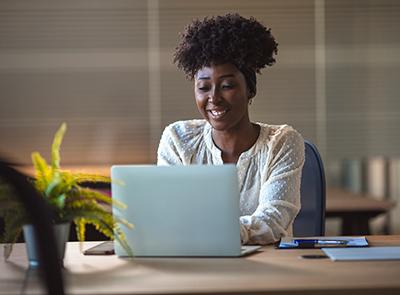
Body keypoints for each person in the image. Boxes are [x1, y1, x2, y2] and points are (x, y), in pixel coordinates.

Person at [157, 13, 304, 245]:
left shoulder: (282, 142)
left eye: (227, 85)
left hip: (270, 268)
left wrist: (219, 234)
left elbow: (274, 219)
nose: (214, 98)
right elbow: (167, 215)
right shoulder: (178, 139)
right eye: (203, 87)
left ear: (250, 89)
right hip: (197, 264)